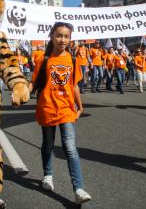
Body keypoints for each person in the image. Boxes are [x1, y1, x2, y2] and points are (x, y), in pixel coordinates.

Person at [30, 22, 91, 205]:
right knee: (48, 144)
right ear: (51, 36)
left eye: (66, 36)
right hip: (47, 107)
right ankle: (47, 176)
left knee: (70, 148)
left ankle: (78, 189)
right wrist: (22, 92)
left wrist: (80, 106)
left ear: (70, 38)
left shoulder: (73, 60)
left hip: (66, 110)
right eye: (59, 35)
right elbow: (33, 83)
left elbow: (74, 86)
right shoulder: (43, 58)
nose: (62, 39)